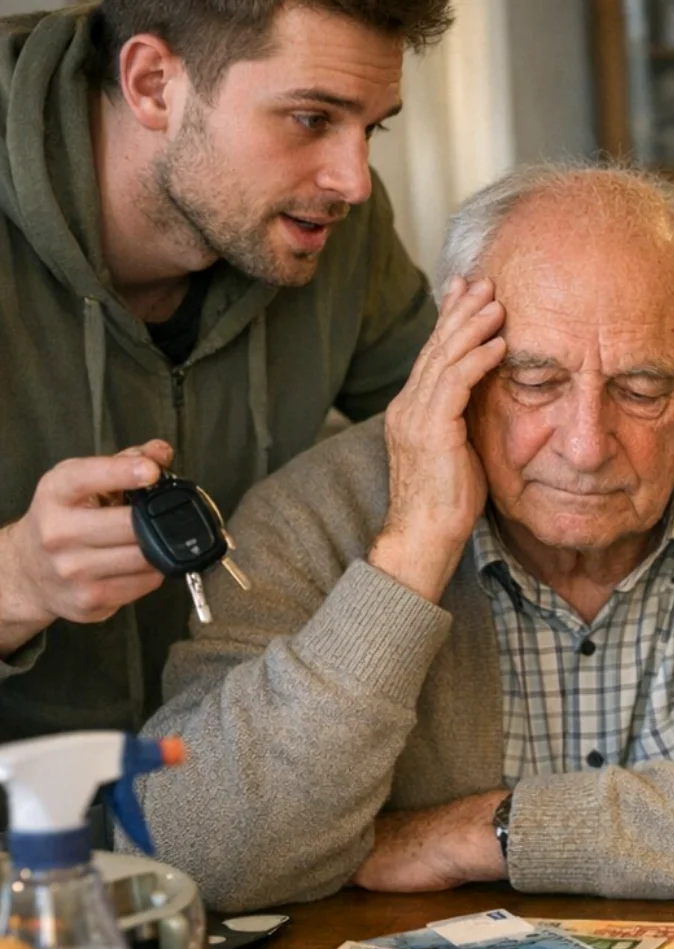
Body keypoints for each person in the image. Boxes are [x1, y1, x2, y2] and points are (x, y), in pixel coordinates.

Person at [135, 163, 674, 913]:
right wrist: (410, 551)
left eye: (642, 386)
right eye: (534, 380)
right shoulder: (312, 510)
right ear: (456, 353)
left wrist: (497, 830)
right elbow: (187, 847)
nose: (585, 443)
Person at [0, 0, 449, 744]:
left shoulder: (333, 230)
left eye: (372, 127)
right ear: (152, 83)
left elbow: (467, 434)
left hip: (238, 792)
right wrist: (17, 580)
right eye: (311, 118)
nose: (354, 181)